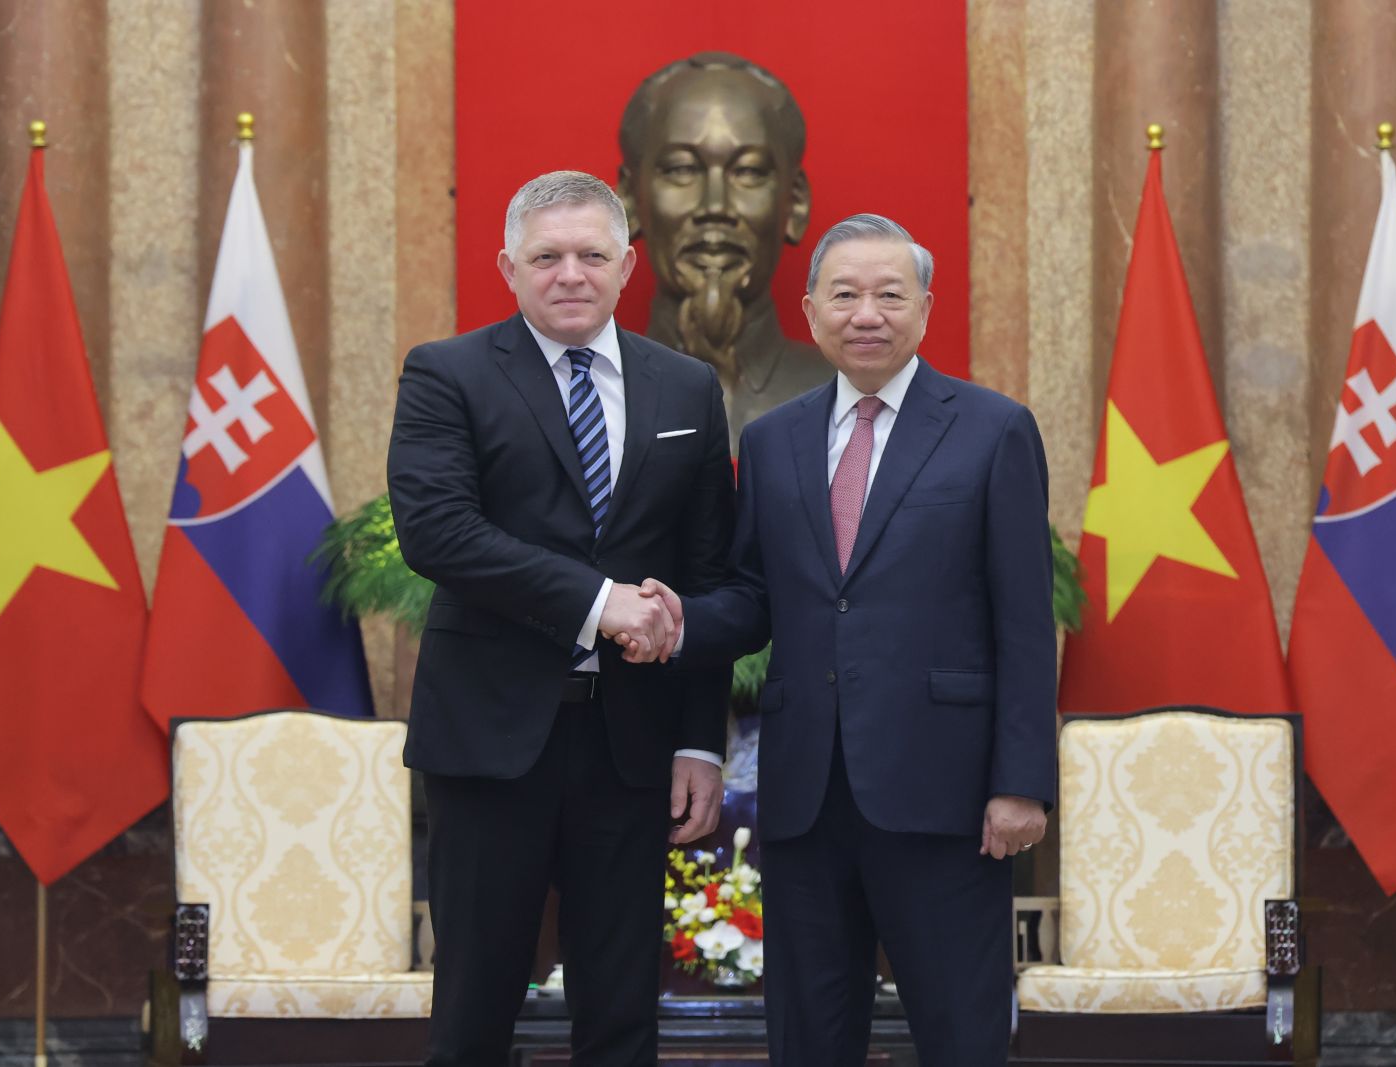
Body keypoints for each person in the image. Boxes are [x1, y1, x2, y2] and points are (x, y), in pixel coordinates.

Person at [623, 214, 1056, 1066]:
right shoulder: (772, 439)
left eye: (890, 295)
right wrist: (680, 618)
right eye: (846, 295)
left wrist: (1021, 783)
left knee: (960, 1034)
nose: (867, 314)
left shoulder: (993, 428)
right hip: (807, 795)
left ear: (925, 309)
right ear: (812, 311)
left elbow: (1024, 621)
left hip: (945, 792)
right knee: (809, 1035)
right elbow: (754, 596)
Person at [387, 170, 735, 1066]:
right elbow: (440, 533)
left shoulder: (688, 388)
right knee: (474, 1011)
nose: (570, 274)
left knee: (622, 1014)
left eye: (591, 255)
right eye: (546, 257)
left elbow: (703, 576)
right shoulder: (448, 373)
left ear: (628, 266)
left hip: (631, 746)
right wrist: (598, 601)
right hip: (489, 740)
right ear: (509, 267)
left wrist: (700, 742)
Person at [617, 52, 831, 439]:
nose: (714, 206)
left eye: (748, 171)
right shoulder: (587, 400)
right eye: (682, 169)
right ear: (630, 199)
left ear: (795, 202)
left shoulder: (845, 400)